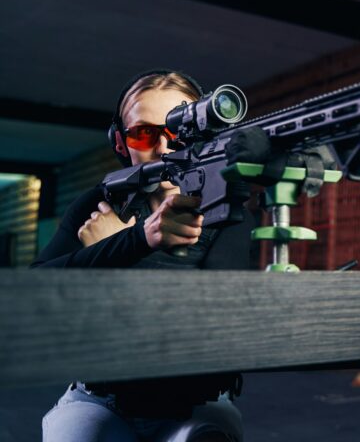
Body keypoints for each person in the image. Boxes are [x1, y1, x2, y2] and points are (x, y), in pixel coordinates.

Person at [32, 70, 258, 442]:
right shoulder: (98, 203)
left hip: (194, 401)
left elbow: (217, 322)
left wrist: (114, 249)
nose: (167, 147)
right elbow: (36, 287)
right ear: (121, 143)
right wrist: (134, 241)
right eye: (144, 133)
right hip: (98, 397)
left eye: (180, 130)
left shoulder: (225, 212)